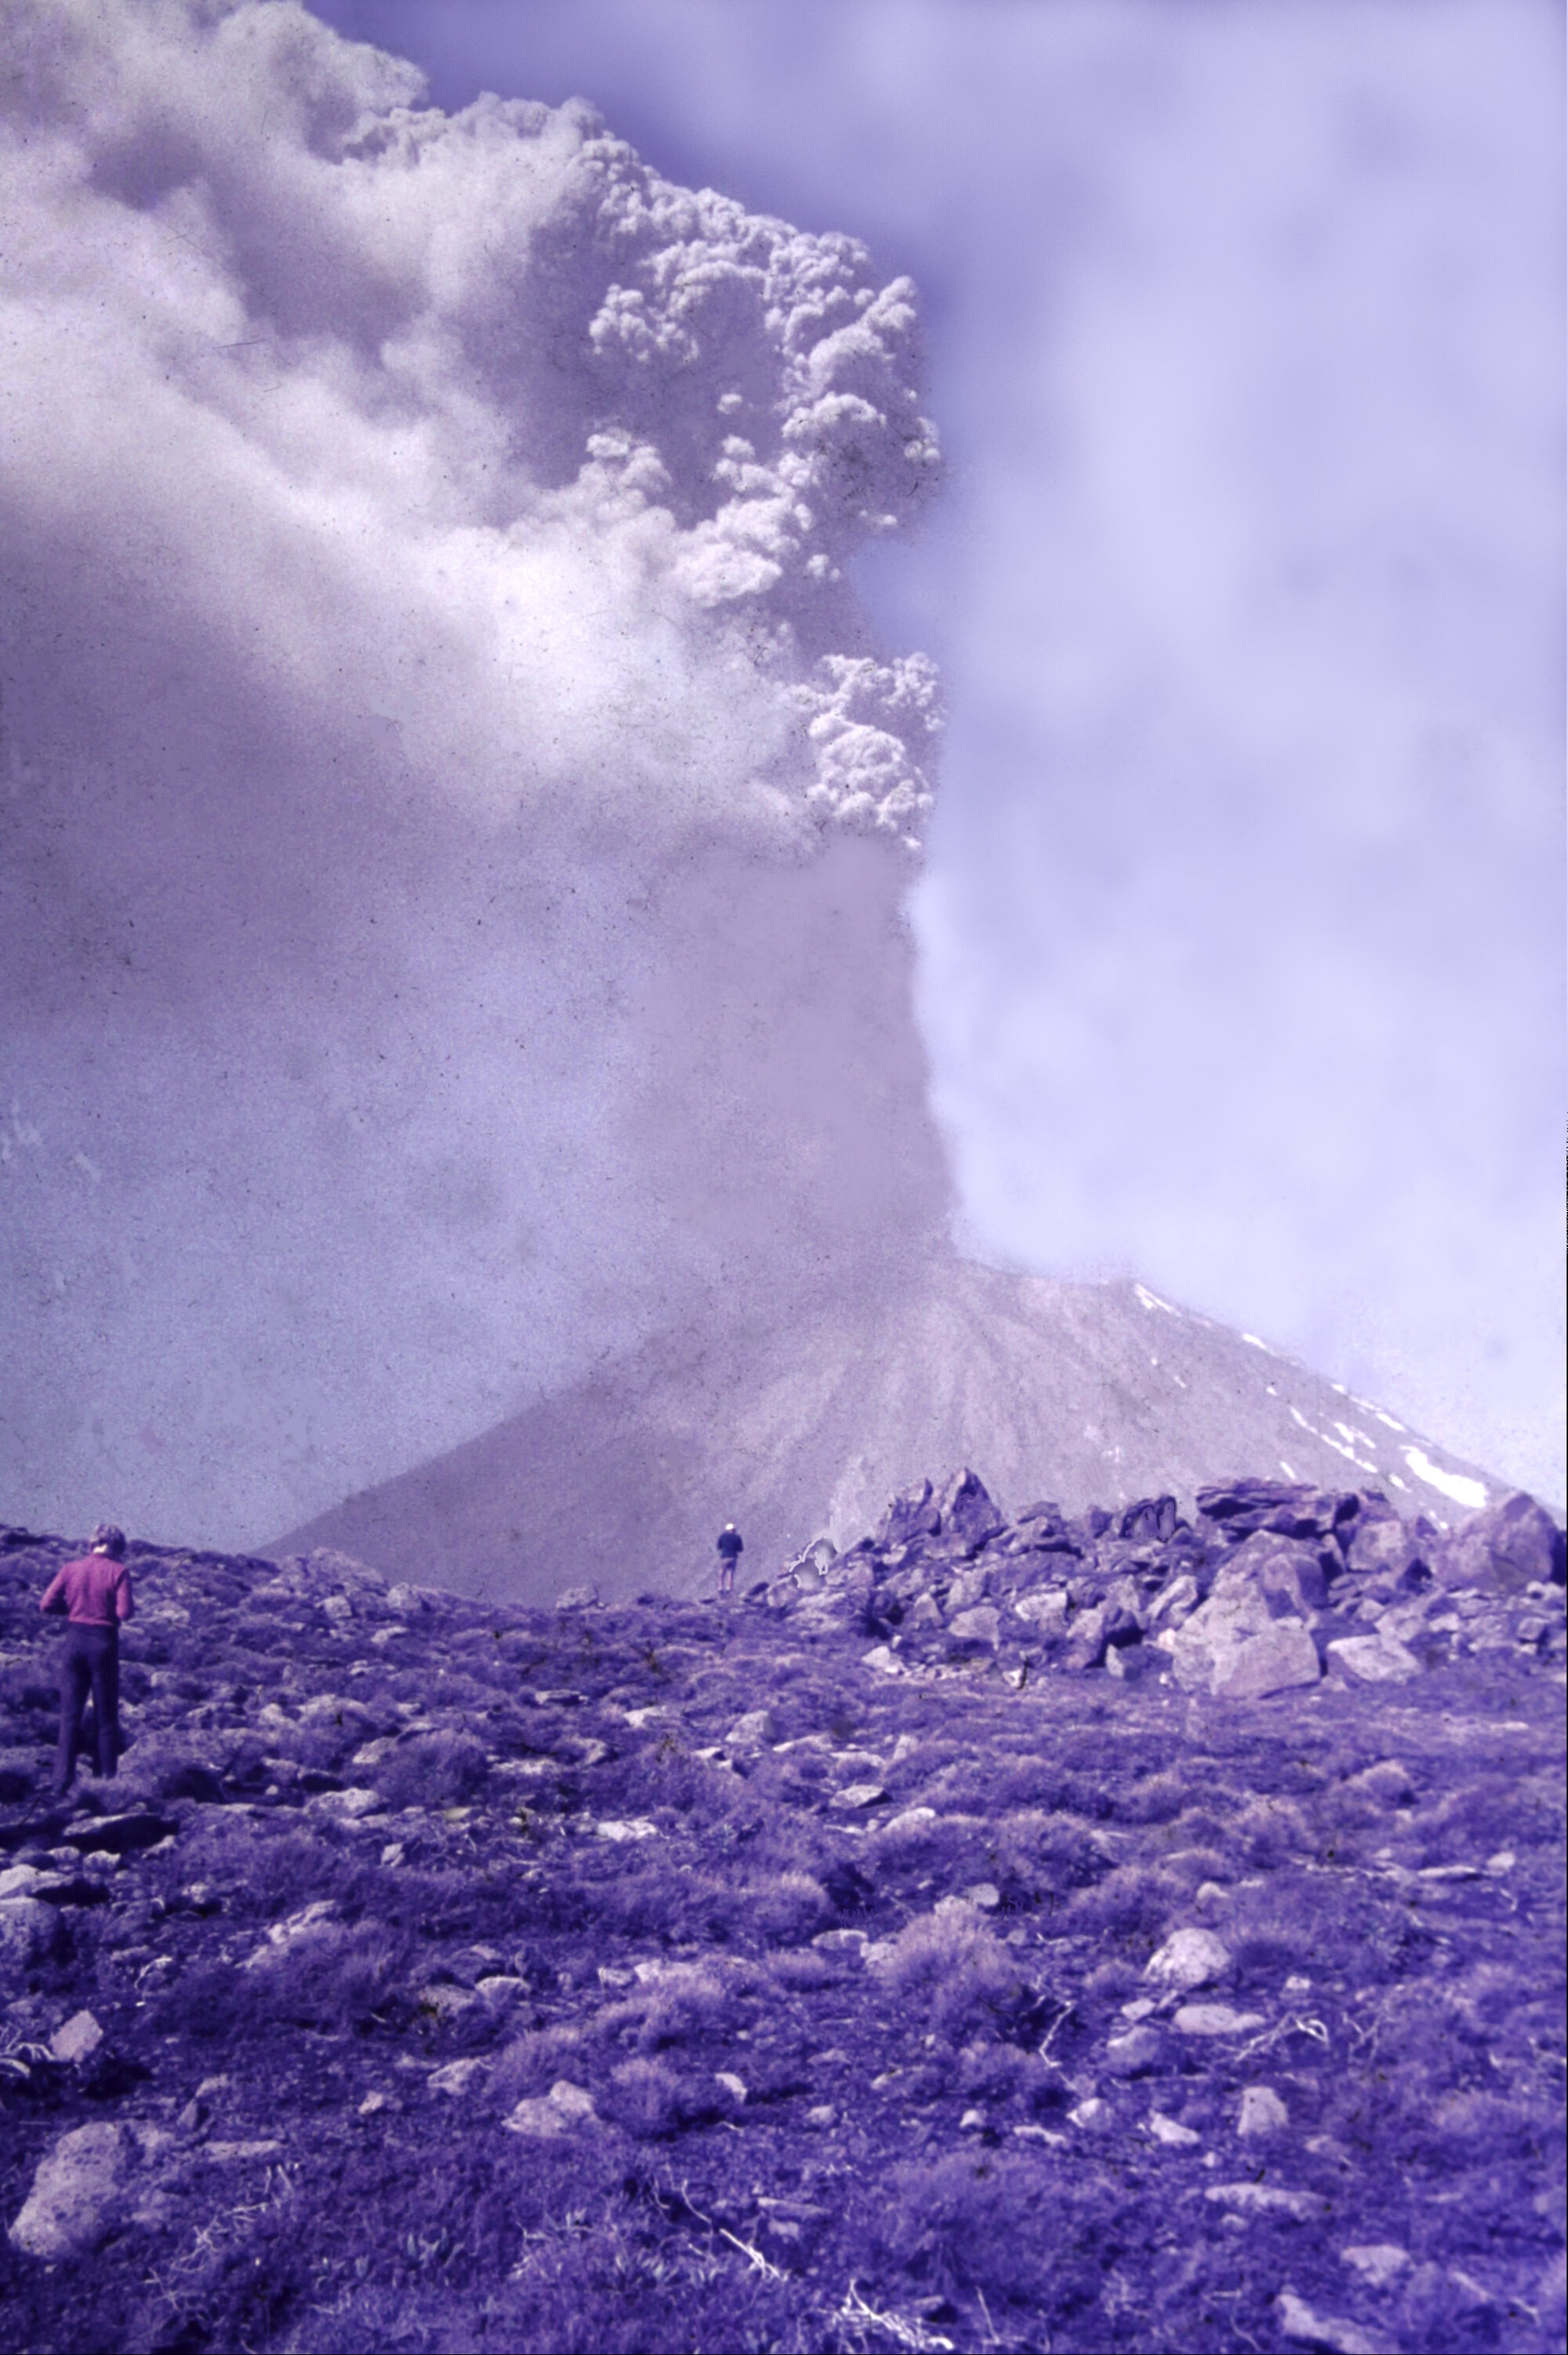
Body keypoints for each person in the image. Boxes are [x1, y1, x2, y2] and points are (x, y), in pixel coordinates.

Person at [39, 1522, 134, 1795]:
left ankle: (60, 1783)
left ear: (93, 1543)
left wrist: (73, 1610)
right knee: (106, 1717)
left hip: (74, 1641)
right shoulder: (118, 1571)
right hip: (103, 1643)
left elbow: (46, 1604)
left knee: (69, 1715)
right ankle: (106, 1782)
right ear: (116, 1547)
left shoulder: (71, 1568)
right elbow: (125, 1612)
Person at [716, 1522, 743, 1596]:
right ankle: (729, 1589)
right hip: (733, 1557)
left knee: (721, 1573)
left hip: (725, 1557)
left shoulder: (722, 1537)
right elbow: (740, 1549)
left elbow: (719, 1547)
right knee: (730, 1573)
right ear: (734, 1530)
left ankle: (720, 1588)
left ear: (727, 1530)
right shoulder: (737, 1537)